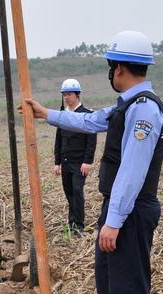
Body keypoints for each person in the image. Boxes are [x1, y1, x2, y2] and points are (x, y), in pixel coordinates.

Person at [21, 31, 163, 294]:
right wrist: (47, 114)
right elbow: (89, 120)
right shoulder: (126, 105)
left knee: (128, 281)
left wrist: (114, 221)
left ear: (117, 68)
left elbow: (132, 172)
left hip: (131, 209)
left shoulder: (144, 110)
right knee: (108, 276)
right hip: (117, 207)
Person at [53, 78, 97, 235]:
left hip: (80, 163)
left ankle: (79, 224)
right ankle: (71, 222)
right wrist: (57, 162)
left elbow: (91, 140)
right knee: (69, 191)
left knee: (77, 190)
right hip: (65, 161)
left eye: (69, 94)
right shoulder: (62, 115)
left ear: (77, 95)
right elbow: (59, 140)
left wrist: (87, 161)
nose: (66, 97)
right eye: (64, 94)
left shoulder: (87, 114)